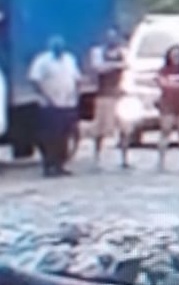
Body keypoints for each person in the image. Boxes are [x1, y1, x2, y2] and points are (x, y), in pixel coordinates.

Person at [28, 36, 83, 178]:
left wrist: (75, 95)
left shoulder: (69, 59)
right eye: (56, 46)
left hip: (67, 103)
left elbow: (76, 78)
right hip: (49, 105)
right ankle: (48, 165)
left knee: (64, 136)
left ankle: (60, 165)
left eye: (61, 46)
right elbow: (35, 80)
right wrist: (45, 96)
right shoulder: (43, 61)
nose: (59, 49)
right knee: (49, 137)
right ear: (51, 47)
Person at [89, 29, 126, 166]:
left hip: (118, 95)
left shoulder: (123, 52)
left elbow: (128, 66)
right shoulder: (98, 52)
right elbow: (98, 68)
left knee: (125, 127)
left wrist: (113, 66)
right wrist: (115, 66)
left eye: (114, 37)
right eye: (109, 37)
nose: (112, 40)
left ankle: (124, 158)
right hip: (103, 95)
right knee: (100, 128)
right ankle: (96, 156)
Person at [156, 44, 179, 171]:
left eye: (178, 55)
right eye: (173, 55)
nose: (176, 57)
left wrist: (172, 85)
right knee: (165, 131)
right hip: (167, 104)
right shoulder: (163, 70)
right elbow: (162, 83)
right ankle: (161, 161)